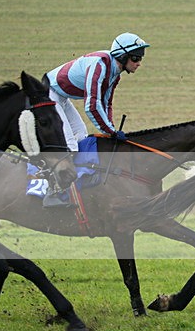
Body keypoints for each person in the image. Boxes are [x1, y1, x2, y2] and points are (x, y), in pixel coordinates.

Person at [42, 32, 149, 207]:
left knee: (81, 135)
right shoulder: (100, 65)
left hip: (61, 96)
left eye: (140, 59)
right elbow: (92, 105)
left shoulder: (115, 74)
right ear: (122, 56)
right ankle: (52, 192)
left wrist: (111, 130)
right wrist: (110, 131)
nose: (139, 63)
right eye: (136, 58)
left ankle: (76, 182)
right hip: (49, 93)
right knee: (69, 142)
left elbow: (106, 104)